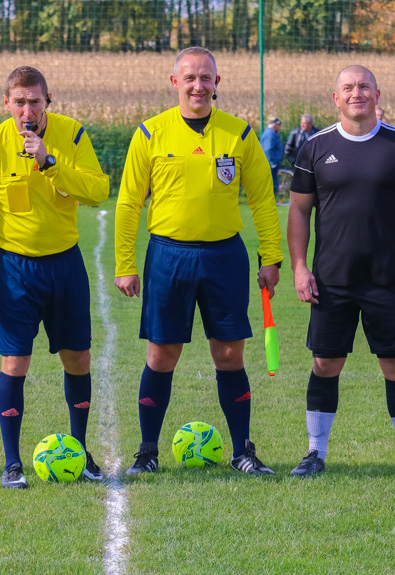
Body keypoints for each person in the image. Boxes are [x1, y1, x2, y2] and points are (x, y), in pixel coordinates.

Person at [114, 46, 283, 476]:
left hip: (224, 256)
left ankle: (243, 451)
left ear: (217, 83)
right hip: (168, 256)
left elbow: (263, 199)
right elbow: (129, 202)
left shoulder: (239, 134)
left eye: (206, 77)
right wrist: (125, 263)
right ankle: (147, 453)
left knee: (229, 353)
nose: (198, 85)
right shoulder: (150, 133)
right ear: (174, 83)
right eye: (189, 77)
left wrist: (272, 256)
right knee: (162, 353)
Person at [287, 65, 395, 481]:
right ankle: (314, 454)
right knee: (325, 363)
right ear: (335, 98)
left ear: (378, 93)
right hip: (332, 279)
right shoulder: (315, 146)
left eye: (363, 86)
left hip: (385, 278)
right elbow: (300, 211)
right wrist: (301, 267)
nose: (356, 93)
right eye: (348, 88)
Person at [0, 66, 109, 489]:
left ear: (48, 102)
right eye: (19, 102)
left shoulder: (73, 136)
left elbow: (98, 190)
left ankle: (79, 453)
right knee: (15, 361)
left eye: (35, 101)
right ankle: (12, 463)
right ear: (6, 104)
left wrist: (50, 162)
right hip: (14, 270)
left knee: (77, 357)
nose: (27, 110)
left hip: (65, 264)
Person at [260, 116, 284, 194]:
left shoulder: (271, 133)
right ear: (274, 124)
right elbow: (268, 149)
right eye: (279, 124)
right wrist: (272, 163)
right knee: (272, 186)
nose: (280, 126)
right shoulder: (270, 134)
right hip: (270, 165)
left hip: (270, 164)